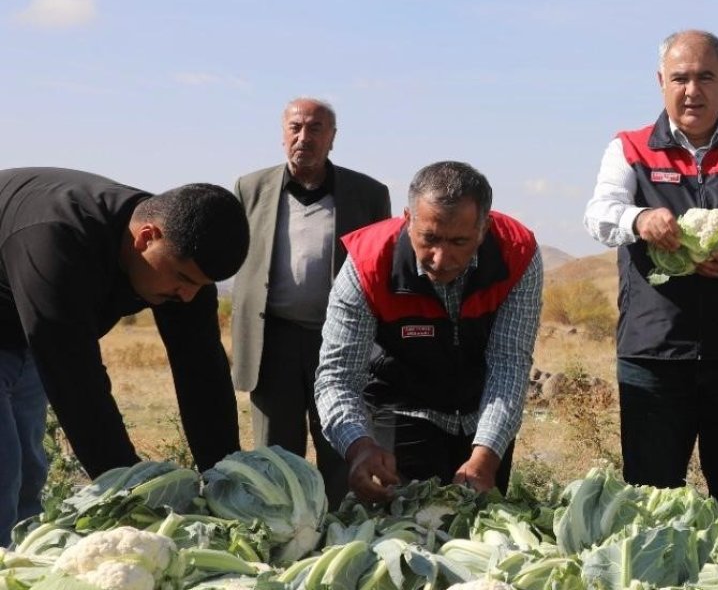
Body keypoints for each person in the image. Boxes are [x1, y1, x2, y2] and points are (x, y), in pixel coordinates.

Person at [583, 29, 718, 527]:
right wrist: (638, 220)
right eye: (680, 78)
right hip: (653, 360)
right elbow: (599, 214)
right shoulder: (630, 149)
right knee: (651, 506)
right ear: (661, 81)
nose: (692, 90)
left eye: (705, 77)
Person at [1, 169, 249, 545]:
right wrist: (135, 498)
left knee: (28, 476)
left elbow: (202, 374)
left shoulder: (179, 257)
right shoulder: (57, 240)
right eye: (182, 279)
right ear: (146, 238)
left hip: (25, 329)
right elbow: (78, 386)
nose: (186, 296)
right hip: (33, 320)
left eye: (200, 286)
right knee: (3, 469)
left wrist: (225, 484)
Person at [315, 161, 542, 502]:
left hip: (483, 412)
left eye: (459, 241)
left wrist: (487, 454)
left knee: (477, 537)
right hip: (401, 408)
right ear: (408, 220)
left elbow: (508, 364)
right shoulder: (367, 263)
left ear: (483, 229)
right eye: (429, 238)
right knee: (406, 534)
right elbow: (337, 377)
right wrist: (359, 446)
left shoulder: (517, 253)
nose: (440, 257)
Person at [232, 98, 391, 505]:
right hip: (273, 341)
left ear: (332, 139)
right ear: (283, 133)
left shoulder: (368, 195)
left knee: (343, 440)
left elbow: (382, 272)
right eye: (296, 128)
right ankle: (282, 529)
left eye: (316, 129)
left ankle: (341, 526)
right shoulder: (250, 189)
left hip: (341, 342)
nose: (304, 137)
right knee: (275, 453)